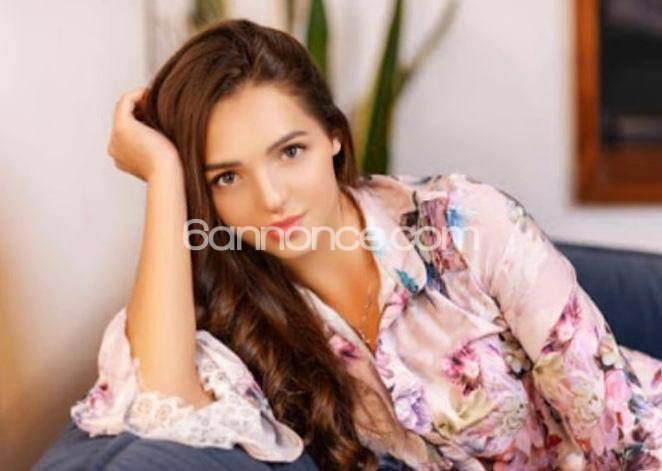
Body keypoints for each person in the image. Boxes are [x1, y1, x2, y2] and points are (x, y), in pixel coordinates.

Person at [70, 18, 662, 470]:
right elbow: (163, 402)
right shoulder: (237, 314)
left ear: (334, 135)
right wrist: (163, 175)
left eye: (290, 151)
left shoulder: (465, 224)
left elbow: (623, 434)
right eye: (226, 177)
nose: (271, 197)